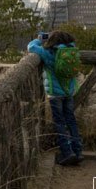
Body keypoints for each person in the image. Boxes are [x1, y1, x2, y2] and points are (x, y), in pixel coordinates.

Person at [28, 30, 83, 166]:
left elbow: (31, 47)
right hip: (69, 91)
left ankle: (67, 152)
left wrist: (39, 39)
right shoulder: (72, 51)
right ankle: (78, 151)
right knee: (71, 121)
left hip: (55, 94)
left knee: (59, 122)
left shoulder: (49, 53)